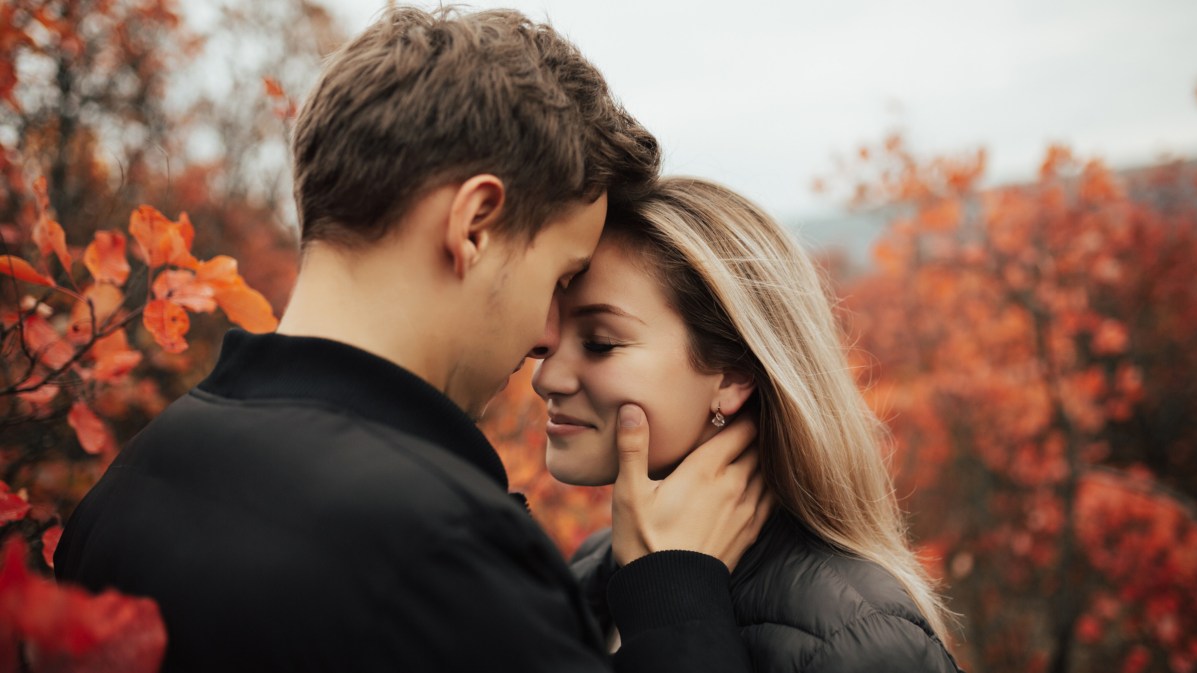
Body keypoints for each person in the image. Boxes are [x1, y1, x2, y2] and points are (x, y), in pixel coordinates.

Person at [54, 9, 770, 672]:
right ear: (475, 224)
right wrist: (679, 621)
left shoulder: (130, 484)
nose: (547, 338)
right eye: (562, 274)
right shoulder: (443, 559)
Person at [532, 176, 965, 672]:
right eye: (551, 338)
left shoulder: (859, 637)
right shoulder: (594, 566)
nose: (546, 378)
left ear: (734, 374)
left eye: (600, 343)